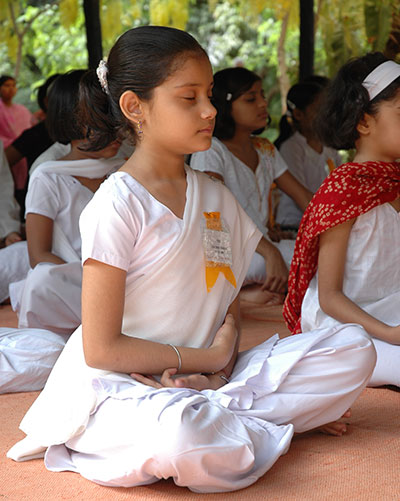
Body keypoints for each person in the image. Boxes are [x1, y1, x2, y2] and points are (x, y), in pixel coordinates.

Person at [7, 26, 375, 492]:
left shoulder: (213, 194)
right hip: (124, 386)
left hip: (211, 377)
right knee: (183, 437)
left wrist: (216, 370)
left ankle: (219, 411)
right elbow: (100, 350)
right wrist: (208, 357)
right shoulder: (117, 203)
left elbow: (226, 299)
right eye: (189, 97)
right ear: (134, 107)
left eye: (209, 95)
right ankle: (240, 417)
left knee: (352, 347)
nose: (209, 111)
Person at [283, 52, 400, 388]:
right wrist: (389, 333)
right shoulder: (344, 189)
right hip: (344, 328)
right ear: (363, 122)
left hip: (391, 311)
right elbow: (329, 297)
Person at [190, 67, 313, 304]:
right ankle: (243, 298)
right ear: (226, 107)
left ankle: (249, 296)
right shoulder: (212, 150)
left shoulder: (265, 149)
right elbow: (217, 214)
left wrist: (336, 227)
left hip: (263, 244)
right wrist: (270, 252)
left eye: (263, 96)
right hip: (224, 249)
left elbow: (302, 196)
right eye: (250, 99)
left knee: (316, 257)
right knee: (265, 264)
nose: (262, 104)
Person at [275, 81, 342, 231]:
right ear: (299, 114)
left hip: (324, 222)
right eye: (319, 109)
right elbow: (302, 198)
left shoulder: (330, 148)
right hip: (294, 225)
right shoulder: (292, 148)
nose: (326, 115)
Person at [5, 74, 60, 218]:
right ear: (47, 102)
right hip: (38, 206)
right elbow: (4, 160)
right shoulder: (36, 134)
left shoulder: (21, 110)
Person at [0, 75, 35, 207]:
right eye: (6, 85)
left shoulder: (23, 110)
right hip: (5, 154)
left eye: (13, 85)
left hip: (24, 157)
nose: (10, 89)